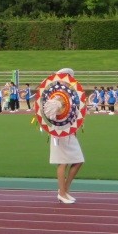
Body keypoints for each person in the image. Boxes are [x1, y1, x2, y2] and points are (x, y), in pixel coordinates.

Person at [49, 68, 84, 204]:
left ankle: (65, 190)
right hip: (59, 131)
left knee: (78, 160)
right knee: (62, 161)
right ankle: (62, 193)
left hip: (69, 131)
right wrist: (59, 105)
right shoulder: (55, 95)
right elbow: (50, 114)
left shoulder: (70, 95)